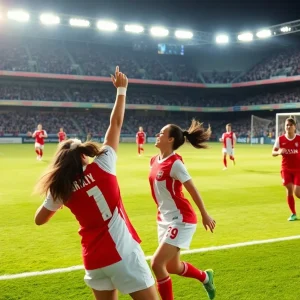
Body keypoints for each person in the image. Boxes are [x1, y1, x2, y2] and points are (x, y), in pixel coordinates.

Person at [34, 66, 158, 300]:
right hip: (123, 254)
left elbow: (39, 219)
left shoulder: (61, 187)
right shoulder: (103, 164)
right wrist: (121, 90)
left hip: (93, 261)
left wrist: (58, 201)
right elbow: (116, 124)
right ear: (83, 154)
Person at [148, 120, 216, 300]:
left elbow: (192, 189)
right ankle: (205, 277)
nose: (157, 135)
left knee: (156, 264)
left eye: (161, 133)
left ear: (170, 139)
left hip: (181, 219)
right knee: (172, 267)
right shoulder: (154, 160)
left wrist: (204, 214)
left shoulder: (176, 164)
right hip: (163, 219)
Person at [272, 117, 300, 221]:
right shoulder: (280, 139)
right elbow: (273, 152)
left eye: (290, 125)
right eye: (286, 125)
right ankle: (293, 213)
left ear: (294, 127)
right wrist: (278, 152)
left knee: (298, 193)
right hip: (286, 169)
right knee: (289, 190)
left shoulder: (299, 139)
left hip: (298, 169)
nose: (288, 127)